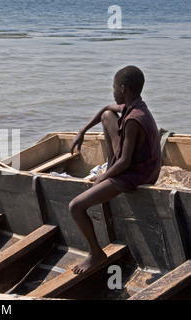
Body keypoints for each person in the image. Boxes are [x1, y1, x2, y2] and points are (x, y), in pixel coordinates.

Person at [68, 66, 161, 274]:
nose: (112, 91)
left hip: (138, 173)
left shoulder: (134, 119)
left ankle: (95, 253)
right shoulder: (133, 105)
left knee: (75, 206)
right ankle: (111, 167)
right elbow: (104, 110)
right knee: (108, 116)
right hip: (134, 163)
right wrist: (83, 130)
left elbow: (126, 162)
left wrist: (103, 177)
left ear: (122, 88)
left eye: (113, 87)